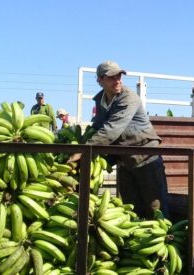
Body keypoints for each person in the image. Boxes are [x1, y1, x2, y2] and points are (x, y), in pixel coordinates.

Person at [67, 60, 169, 218]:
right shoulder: (100, 100)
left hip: (146, 157)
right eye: (112, 77)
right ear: (100, 80)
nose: (118, 81)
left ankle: (165, 239)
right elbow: (98, 126)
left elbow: (111, 129)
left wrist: (82, 151)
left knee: (156, 208)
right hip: (125, 161)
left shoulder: (128, 98)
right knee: (132, 208)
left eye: (119, 76)